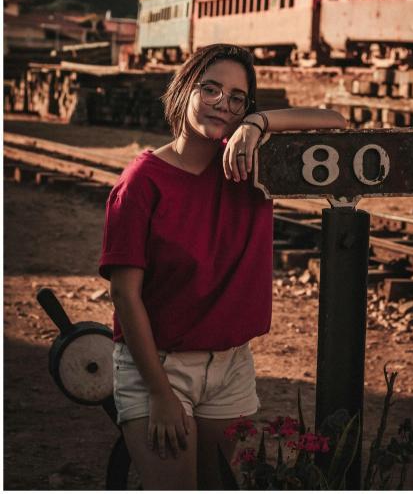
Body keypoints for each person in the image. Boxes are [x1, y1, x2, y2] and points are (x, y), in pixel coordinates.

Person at [99, 43, 347, 490]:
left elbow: (335, 122)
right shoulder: (141, 182)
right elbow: (124, 295)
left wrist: (258, 122)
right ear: (184, 90)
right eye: (210, 89)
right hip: (157, 364)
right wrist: (159, 392)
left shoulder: (254, 163)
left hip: (232, 364)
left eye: (237, 98)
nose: (223, 104)